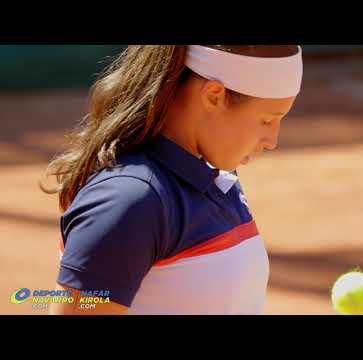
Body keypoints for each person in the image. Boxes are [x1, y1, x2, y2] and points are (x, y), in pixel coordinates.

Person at [43, 45, 303, 314]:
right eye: (267, 120)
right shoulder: (130, 202)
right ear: (214, 95)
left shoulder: (215, 174)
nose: (272, 140)